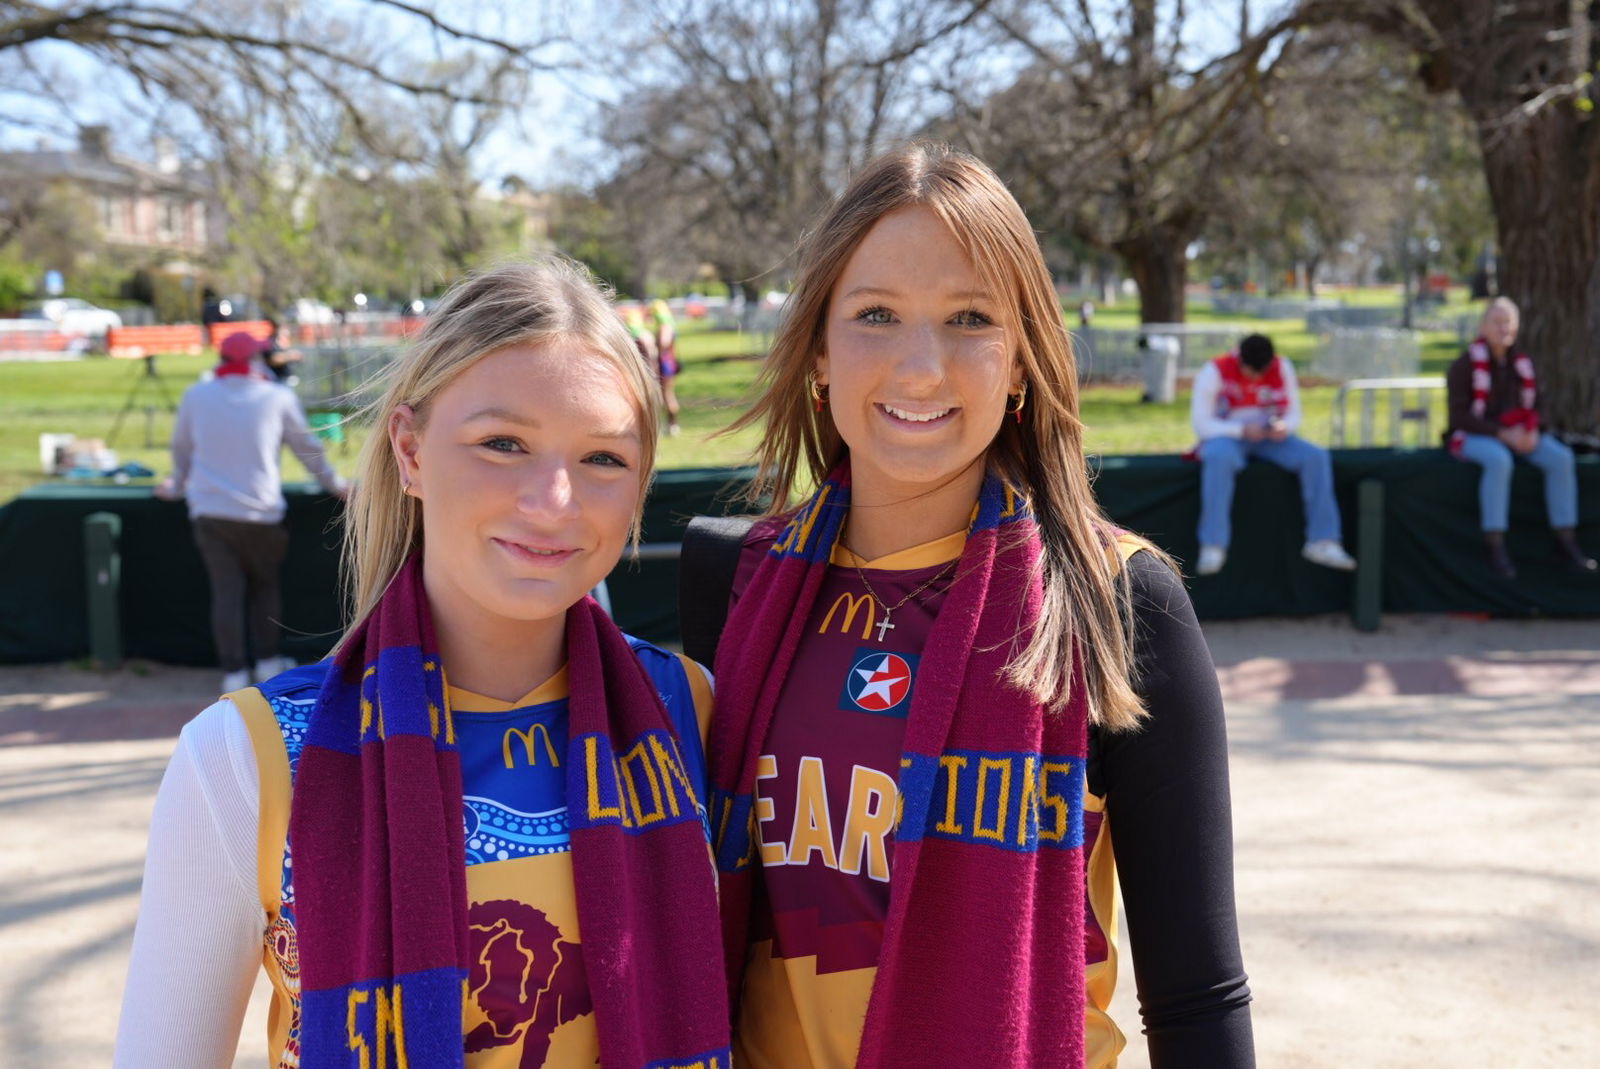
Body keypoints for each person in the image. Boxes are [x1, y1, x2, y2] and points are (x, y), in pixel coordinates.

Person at [703, 143, 1253, 1067]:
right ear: (819, 355)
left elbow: (1197, 999)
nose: (921, 368)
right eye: (876, 314)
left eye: (969, 318)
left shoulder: (1119, 597)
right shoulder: (735, 578)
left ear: (1023, 363)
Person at [118, 260, 731, 1068]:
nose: (555, 499)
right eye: (502, 443)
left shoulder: (692, 709)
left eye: (604, 459)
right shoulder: (242, 757)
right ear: (410, 449)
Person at [155, 330, 348, 691]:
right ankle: (267, 663)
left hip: (210, 513)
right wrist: (337, 485)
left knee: (226, 593)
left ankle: (234, 673)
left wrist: (176, 484)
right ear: (255, 360)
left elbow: (181, 450)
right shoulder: (276, 396)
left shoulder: (197, 396)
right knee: (264, 589)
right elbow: (307, 448)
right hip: (260, 514)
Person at [1446, 297, 1595, 578]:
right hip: (1476, 436)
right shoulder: (1464, 366)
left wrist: (1532, 431)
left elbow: (1538, 406)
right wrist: (1501, 434)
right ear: (1483, 326)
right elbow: (1459, 418)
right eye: (1497, 321)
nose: (1503, 328)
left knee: (1560, 458)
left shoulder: (1522, 363)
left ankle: (1565, 540)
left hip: (1520, 436)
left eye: (1508, 322)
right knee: (1499, 460)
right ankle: (1495, 545)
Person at [1190, 333, 1357, 576]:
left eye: (1262, 371)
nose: (1257, 377)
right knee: (1218, 458)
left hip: (1271, 438)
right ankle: (1213, 545)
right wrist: (1240, 430)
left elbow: (1294, 415)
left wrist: (1284, 427)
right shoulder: (1214, 370)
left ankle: (1323, 541)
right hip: (1228, 438)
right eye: (1250, 371)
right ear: (1239, 360)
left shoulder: (1283, 367)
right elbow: (1201, 424)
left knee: (1315, 457)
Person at [651, 298, 684, 437]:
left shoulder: (664, 326)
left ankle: (672, 425)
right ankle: (672, 425)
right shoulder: (670, 323)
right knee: (668, 395)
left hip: (665, 364)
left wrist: (654, 346)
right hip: (669, 363)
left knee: (667, 396)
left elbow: (664, 343)